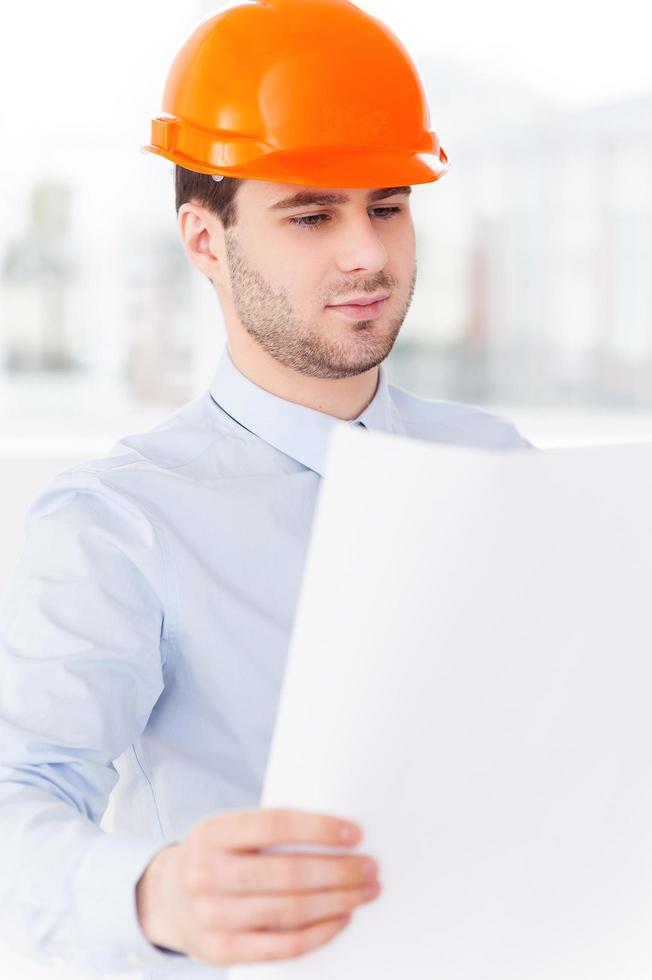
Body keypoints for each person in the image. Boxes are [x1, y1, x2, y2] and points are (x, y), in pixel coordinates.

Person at [0, 1, 536, 977]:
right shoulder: (119, 522)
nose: (366, 252)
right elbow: (16, 796)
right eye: (310, 212)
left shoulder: (499, 464)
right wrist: (153, 891)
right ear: (205, 240)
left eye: (386, 204)